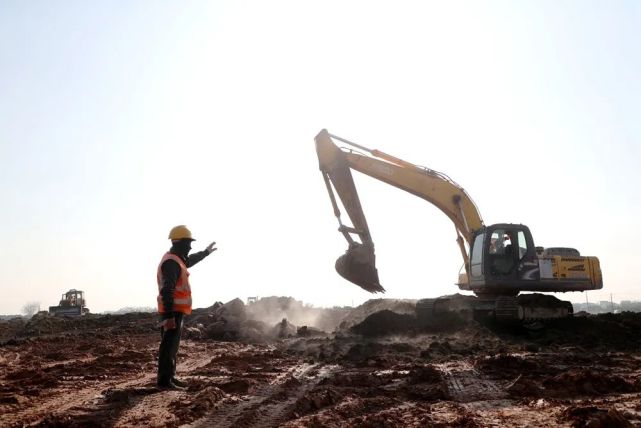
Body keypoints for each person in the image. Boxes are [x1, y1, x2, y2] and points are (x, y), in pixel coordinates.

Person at [156, 225, 217, 389]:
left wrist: (205, 253)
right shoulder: (171, 262)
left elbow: (189, 261)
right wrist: (168, 316)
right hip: (171, 311)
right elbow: (167, 290)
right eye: (188, 242)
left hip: (176, 311)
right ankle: (164, 381)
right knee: (168, 346)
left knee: (172, 346)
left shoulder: (177, 259)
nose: (190, 246)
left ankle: (170, 377)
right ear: (179, 242)